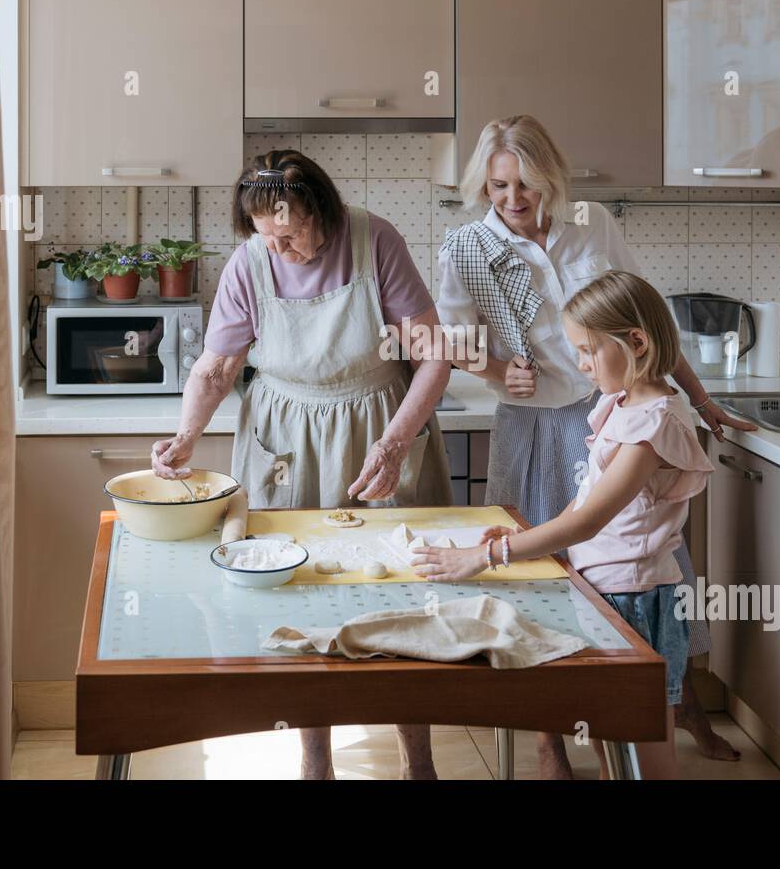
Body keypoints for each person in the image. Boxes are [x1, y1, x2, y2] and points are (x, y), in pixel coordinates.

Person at [435, 115, 749, 773]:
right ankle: (554, 741)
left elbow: (644, 315)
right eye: (497, 187)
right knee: (545, 579)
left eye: (526, 186)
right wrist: (497, 371)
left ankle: (675, 703)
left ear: (551, 178)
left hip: (612, 409)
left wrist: (699, 397)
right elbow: (454, 344)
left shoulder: (592, 221)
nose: (513, 201)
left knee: (648, 565)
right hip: (534, 422)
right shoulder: (465, 247)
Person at [151, 149, 453, 779]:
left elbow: (434, 357)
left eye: (289, 234)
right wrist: (184, 437)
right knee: (291, 605)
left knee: (399, 595)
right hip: (283, 438)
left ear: (325, 212)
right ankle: (316, 761)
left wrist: (396, 443)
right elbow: (216, 366)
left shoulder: (376, 240)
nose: (279, 249)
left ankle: (416, 760)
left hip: (378, 428)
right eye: (267, 237)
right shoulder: (250, 261)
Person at [415, 270, 715, 778]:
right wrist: (520, 538)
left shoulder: (653, 424)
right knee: (607, 732)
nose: (579, 365)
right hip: (608, 589)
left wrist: (486, 556)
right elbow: (582, 504)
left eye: (587, 351)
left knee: (642, 741)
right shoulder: (621, 404)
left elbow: (590, 522)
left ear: (636, 341)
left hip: (637, 600)